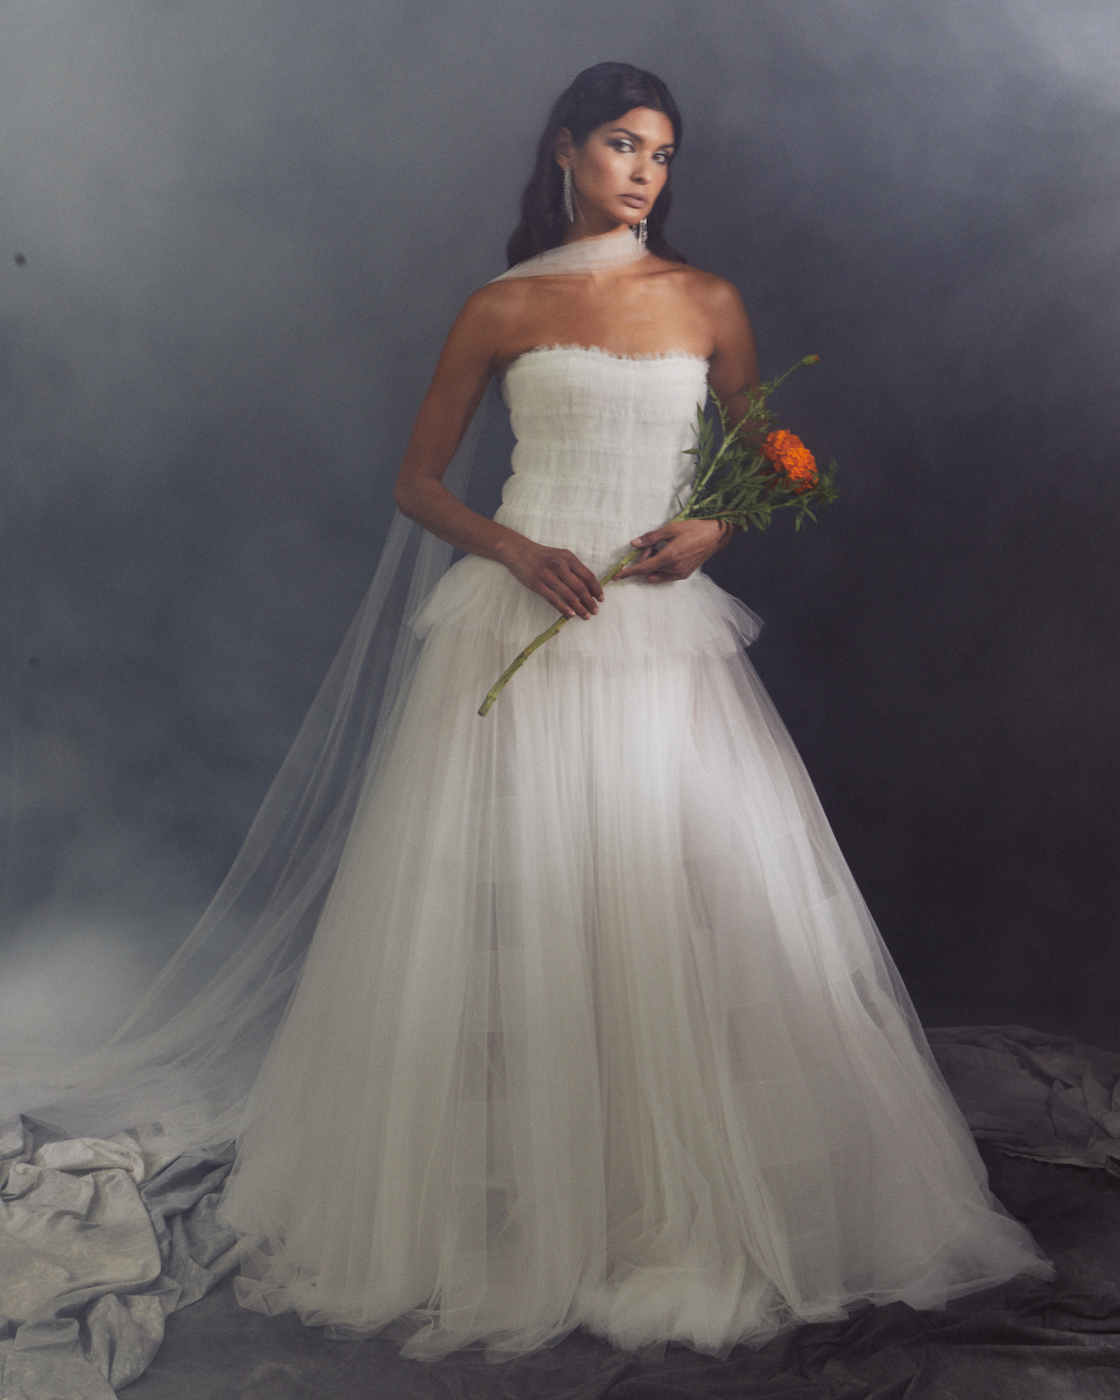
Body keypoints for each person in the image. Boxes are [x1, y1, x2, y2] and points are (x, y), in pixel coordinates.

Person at [215, 63, 1051, 1359]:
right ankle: (526, 1197)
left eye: (662, 152)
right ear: (565, 152)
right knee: (519, 907)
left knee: (680, 904)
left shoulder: (708, 301)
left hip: (656, 633)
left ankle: (672, 1189)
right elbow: (417, 481)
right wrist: (511, 548)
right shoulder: (501, 308)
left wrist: (710, 528)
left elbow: (760, 460)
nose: (646, 170)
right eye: (622, 144)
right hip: (528, 623)